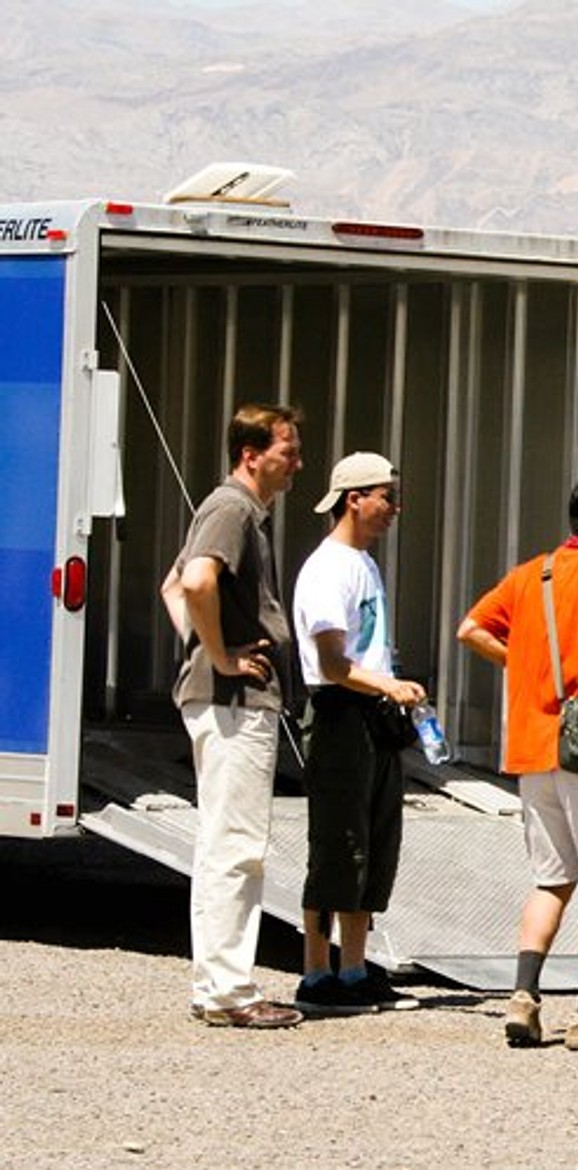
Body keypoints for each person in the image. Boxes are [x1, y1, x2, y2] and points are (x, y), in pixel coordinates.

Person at [457, 468, 578, 1051]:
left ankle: (524, 996)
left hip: (532, 743)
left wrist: (523, 665)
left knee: (551, 879)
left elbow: (470, 628)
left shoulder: (531, 573)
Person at [159, 403, 305, 1029]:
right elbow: (194, 582)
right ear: (252, 455)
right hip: (233, 702)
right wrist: (218, 657)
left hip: (226, 698)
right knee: (235, 847)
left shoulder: (234, 510)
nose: (297, 462)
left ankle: (222, 986)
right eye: (288, 450)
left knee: (226, 842)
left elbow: (172, 586)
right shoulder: (233, 508)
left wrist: (201, 647)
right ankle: (226, 992)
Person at [290, 452, 426, 1015]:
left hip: (373, 713)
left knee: (374, 841)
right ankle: (316, 972)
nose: (395, 508)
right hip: (341, 712)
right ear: (355, 499)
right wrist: (389, 687)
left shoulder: (364, 563)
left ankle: (354, 967)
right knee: (338, 843)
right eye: (387, 497)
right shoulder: (329, 569)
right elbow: (333, 662)